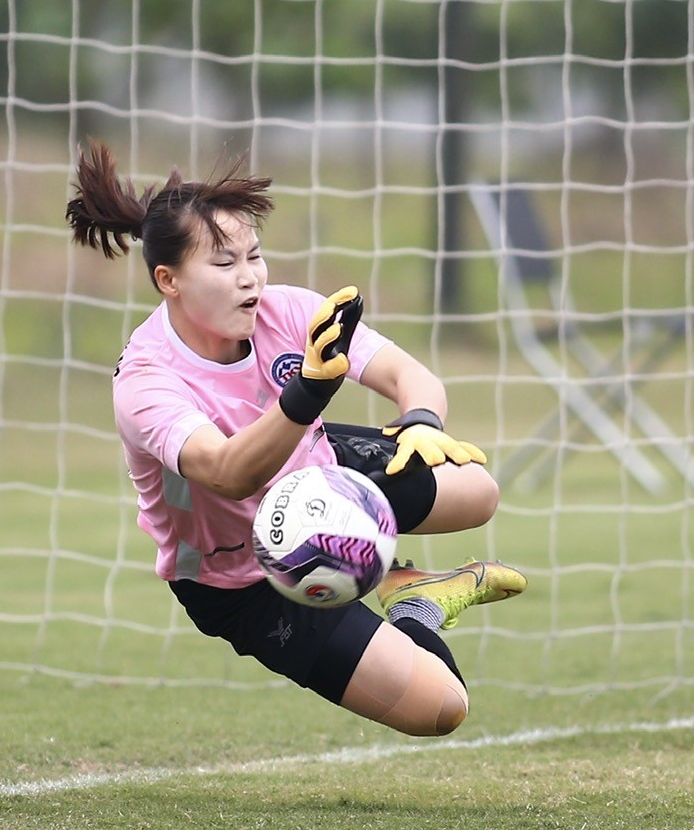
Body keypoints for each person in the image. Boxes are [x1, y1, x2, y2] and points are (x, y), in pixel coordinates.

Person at [65, 144, 525, 736]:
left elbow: (412, 377)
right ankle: (418, 603)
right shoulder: (147, 381)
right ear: (169, 280)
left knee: (478, 490)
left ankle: (393, 572)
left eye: (254, 256)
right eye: (224, 264)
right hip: (242, 580)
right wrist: (305, 393)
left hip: (318, 479)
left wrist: (421, 423)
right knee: (442, 708)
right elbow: (227, 472)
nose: (250, 277)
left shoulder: (290, 312)